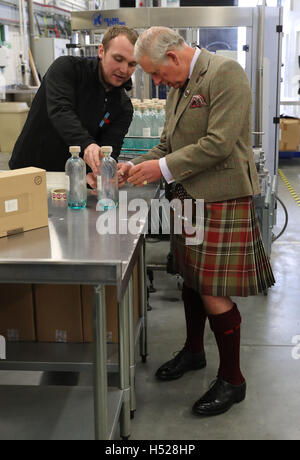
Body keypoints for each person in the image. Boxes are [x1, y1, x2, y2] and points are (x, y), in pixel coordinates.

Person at [118, 27, 275, 417]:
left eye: (156, 73)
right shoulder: (177, 87)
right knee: (189, 277)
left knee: (213, 289)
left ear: (172, 57)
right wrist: (134, 166)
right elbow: (168, 145)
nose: (156, 82)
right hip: (188, 198)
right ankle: (193, 352)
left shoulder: (225, 73)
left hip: (221, 196)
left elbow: (219, 143)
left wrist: (162, 168)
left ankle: (233, 380)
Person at [9, 26, 138, 174]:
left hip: (75, 180)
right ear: (102, 51)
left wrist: (99, 173)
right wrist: (88, 145)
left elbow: (109, 148)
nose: (123, 69)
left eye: (131, 64)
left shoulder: (123, 107)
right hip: (30, 168)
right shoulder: (67, 69)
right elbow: (61, 111)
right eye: (118, 59)